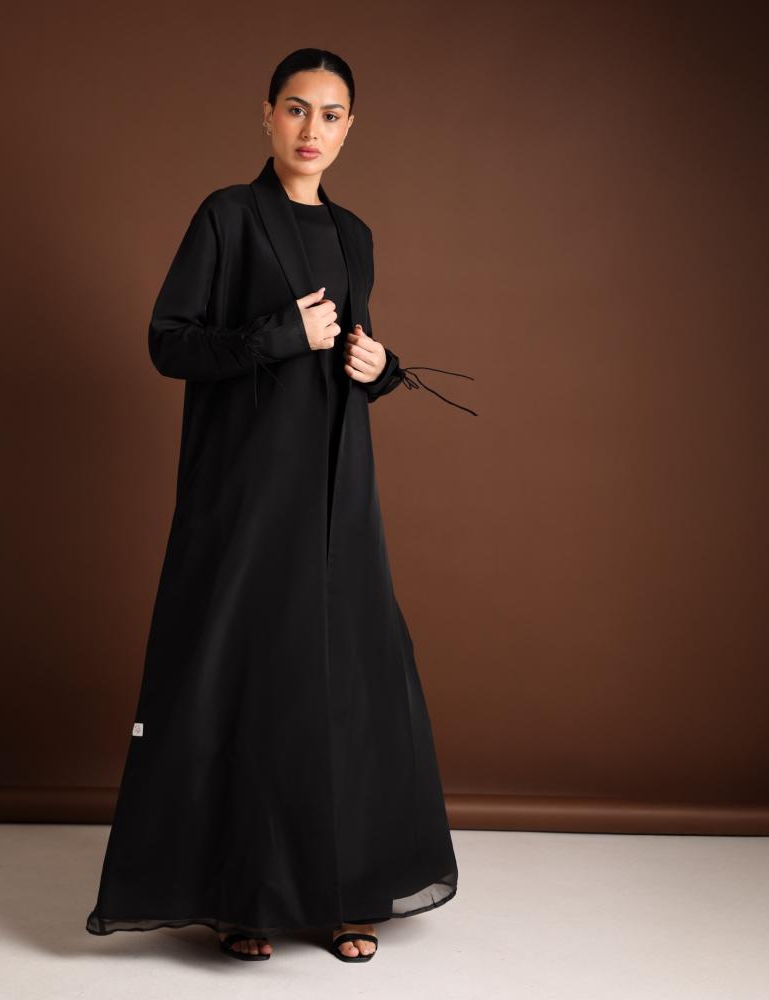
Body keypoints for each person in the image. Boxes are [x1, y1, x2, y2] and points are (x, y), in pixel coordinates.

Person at [86, 47, 474, 964]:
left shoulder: (355, 235)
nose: (311, 130)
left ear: (349, 129)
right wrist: (279, 334)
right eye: (296, 109)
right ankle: (243, 898)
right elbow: (169, 343)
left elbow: (351, 348)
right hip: (247, 494)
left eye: (330, 114)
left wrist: (380, 367)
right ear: (266, 114)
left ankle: (346, 892)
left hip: (338, 494)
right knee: (250, 680)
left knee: (342, 685)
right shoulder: (227, 215)